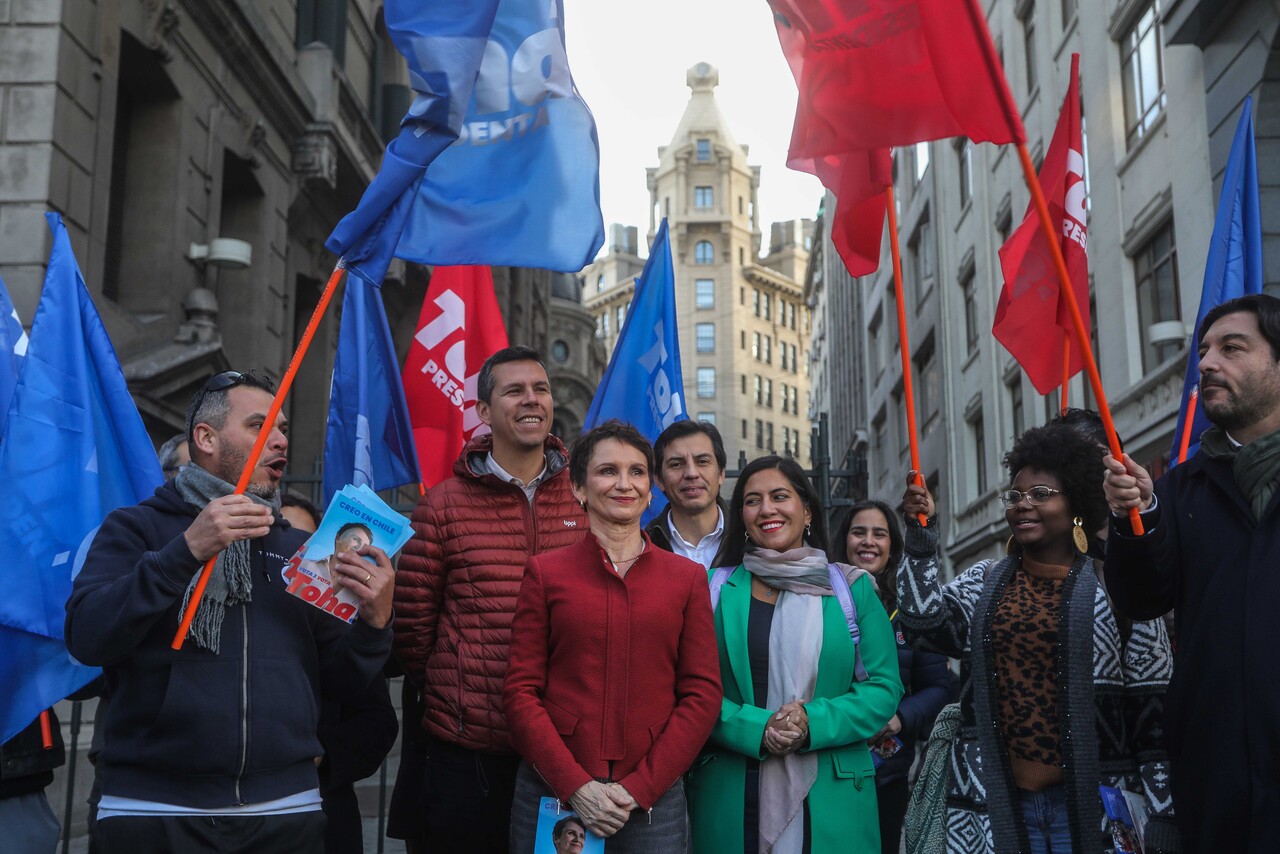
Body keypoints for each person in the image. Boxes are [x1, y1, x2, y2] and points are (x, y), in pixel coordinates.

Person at [65, 369, 395, 853]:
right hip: (154, 809)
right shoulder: (135, 529)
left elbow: (340, 684)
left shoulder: (305, 549)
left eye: (282, 428)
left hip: (286, 811)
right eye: (261, 426)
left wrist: (374, 623)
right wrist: (185, 551)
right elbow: (88, 637)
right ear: (206, 438)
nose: (280, 440)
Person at [896, 423, 1176, 852]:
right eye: (1015, 496)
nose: (1023, 505)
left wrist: (1162, 814)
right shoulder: (984, 581)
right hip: (989, 807)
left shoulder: (1121, 587)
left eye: (1041, 494)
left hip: (1095, 811)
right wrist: (921, 539)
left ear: (1077, 506)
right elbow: (923, 625)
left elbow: (1154, 710)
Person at [392, 346, 587, 853]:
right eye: (514, 390)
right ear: (483, 411)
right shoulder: (441, 505)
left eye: (540, 389)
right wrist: (463, 694)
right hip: (469, 756)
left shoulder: (585, 499)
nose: (531, 401)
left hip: (567, 754)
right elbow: (414, 631)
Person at [1103, 293, 1280, 847]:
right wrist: (1137, 516)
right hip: (1218, 777)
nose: (1206, 364)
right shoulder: (1181, 489)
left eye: (1232, 348)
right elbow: (1140, 598)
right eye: (1203, 351)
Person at [504, 420, 721, 851]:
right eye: (608, 471)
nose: (625, 484)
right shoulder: (546, 573)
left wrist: (641, 787)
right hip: (557, 794)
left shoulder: (686, 578)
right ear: (579, 489)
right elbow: (520, 692)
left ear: (650, 487)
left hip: (651, 802)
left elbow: (701, 694)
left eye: (637, 472)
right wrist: (575, 785)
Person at [686, 455, 903, 854]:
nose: (766, 509)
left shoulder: (852, 589)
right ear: (742, 517)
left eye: (779, 496)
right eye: (752, 500)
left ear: (806, 510)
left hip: (834, 798)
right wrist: (757, 728)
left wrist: (810, 722)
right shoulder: (711, 590)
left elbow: (884, 689)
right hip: (734, 795)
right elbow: (692, 689)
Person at [831, 499, 954, 854]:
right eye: (859, 532)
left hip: (887, 771)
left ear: (892, 546)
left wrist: (900, 719)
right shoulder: (819, 596)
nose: (868, 542)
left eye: (879, 534)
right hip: (827, 766)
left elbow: (939, 688)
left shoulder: (912, 609)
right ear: (845, 540)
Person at [281, 493, 398, 854]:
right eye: (282, 539)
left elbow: (377, 723)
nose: (293, 549)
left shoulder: (347, 624)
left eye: (303, 540)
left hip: (324, 812)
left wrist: (321, 757)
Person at [647, 419, 729, 568]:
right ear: (658, 479)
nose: (691, 473)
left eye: (703, 461)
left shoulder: (749, 538)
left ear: (721, 473)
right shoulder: (643, 547)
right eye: (676, 464)